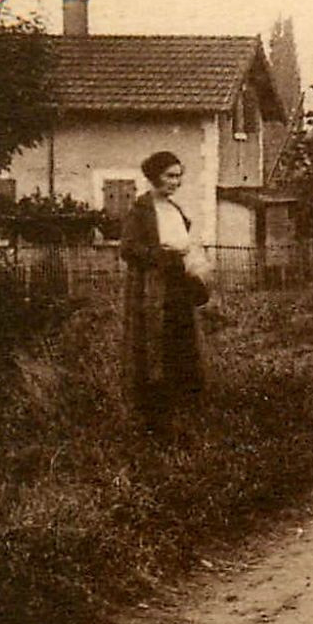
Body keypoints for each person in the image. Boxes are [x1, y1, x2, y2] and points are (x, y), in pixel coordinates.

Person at [120, 151, 207, 432]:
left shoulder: (175, 210)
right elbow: (129, 249)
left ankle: (184, 411)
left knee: (182, 345)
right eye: (170, 175)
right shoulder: (142, 210)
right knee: (154, 348)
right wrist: (164, 256)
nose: (176, 182)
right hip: (153, 289)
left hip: (178, 286)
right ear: (154, 175)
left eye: (179, 176)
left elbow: (186, 245)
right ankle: (154, 417)